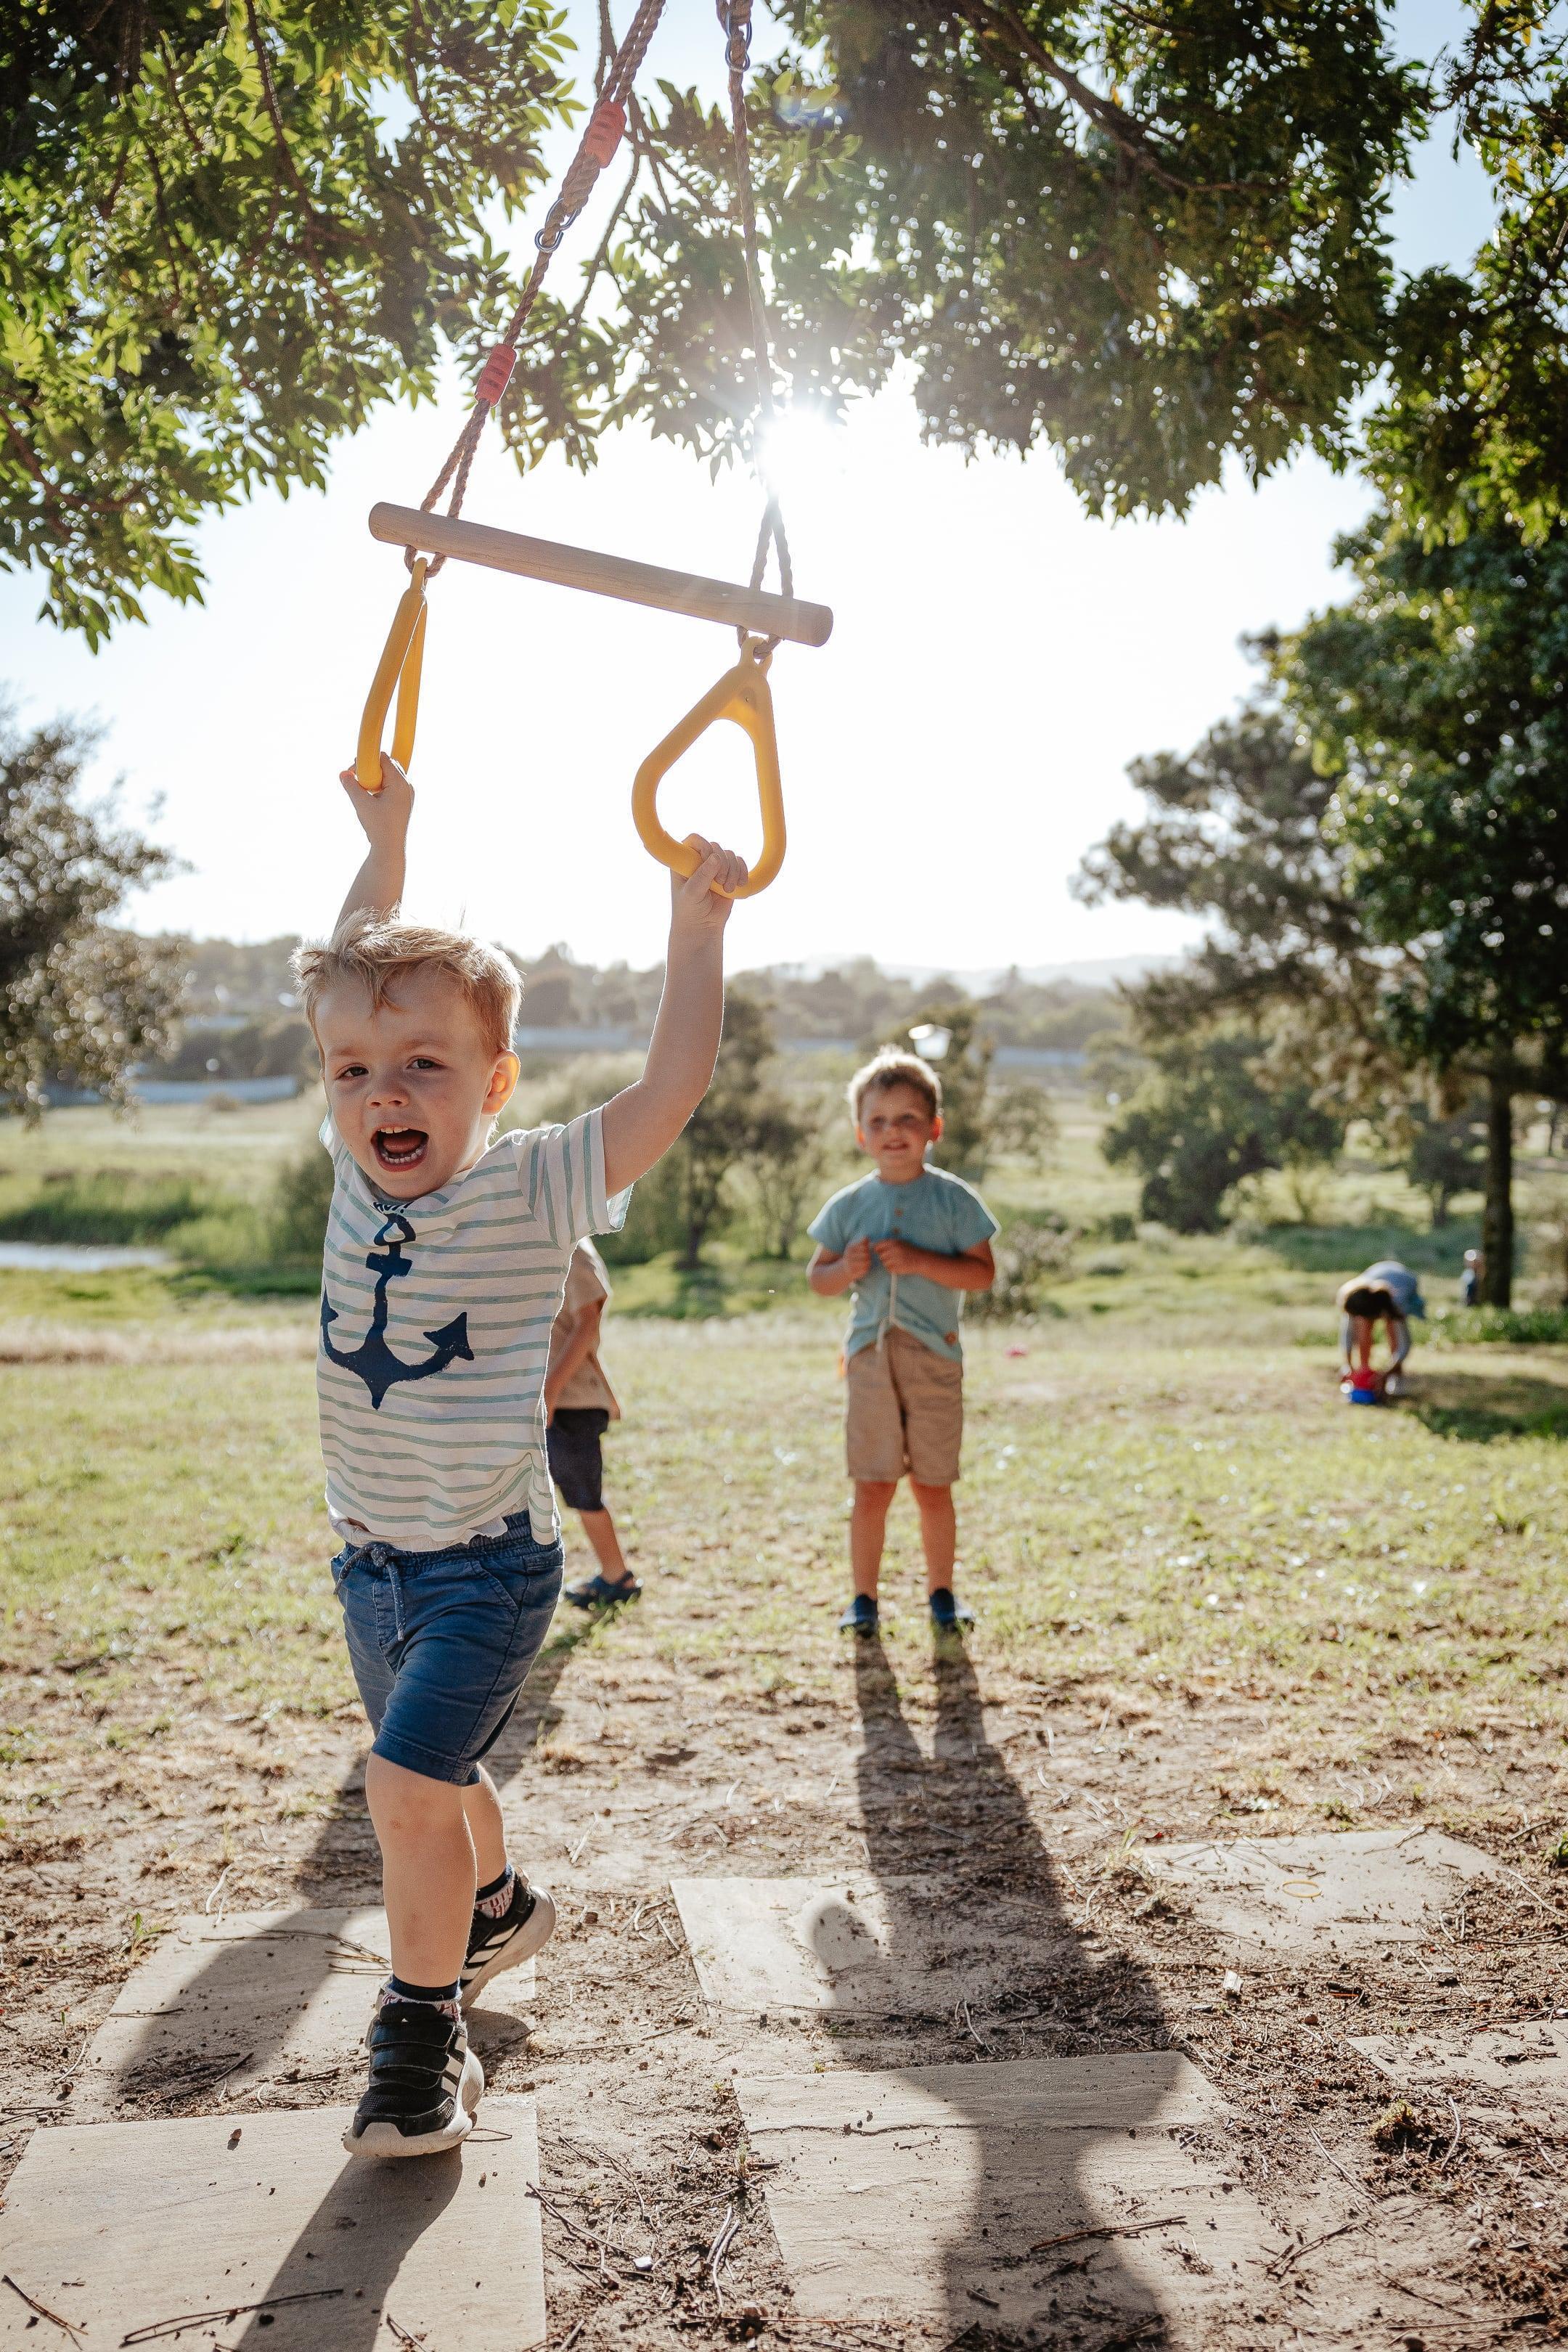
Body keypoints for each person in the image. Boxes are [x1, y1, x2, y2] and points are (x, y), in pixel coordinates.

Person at [293, 753, 746, 2158]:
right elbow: (344, 977)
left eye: (426, 1065)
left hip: (489, 1568)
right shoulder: (352, 1175)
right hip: (370, 1565)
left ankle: (417, 2041)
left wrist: (697, 928)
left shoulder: (538, 1178)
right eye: (358, 1071)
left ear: (494, 1080)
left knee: (404, 1791)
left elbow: (672, 1084)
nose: (386, 1093)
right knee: (443, 1785)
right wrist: (388, 843)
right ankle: (500, 1913)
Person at [807, 1048, 997, 1638]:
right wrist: (847, 1270)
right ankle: (863, 1600)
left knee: (934, 1484)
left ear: (934, 1128)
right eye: (880, 1121)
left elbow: (983, 1274)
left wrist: (920, 1261)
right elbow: (818, 1279)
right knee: (872, 1483)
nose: (894, 1132)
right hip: (868, 1360)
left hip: (935, 1358)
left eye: (909, 1119)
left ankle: (942, 1593)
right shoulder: (849, 1205)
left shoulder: (954, 1200)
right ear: (861, 1133)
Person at [547, 1238, 639, 1607]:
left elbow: (587, 1327)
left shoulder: (574, 1249)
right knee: (571, 1493)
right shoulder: (544, 1241)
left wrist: (547, 1397)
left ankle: (618, 1577)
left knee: (584, 1494)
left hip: (570, 1403)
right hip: (558, 1400)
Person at [1337, 1257, 1426, 1399]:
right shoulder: (1356, 1296)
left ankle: (1396, 1378)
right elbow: (1347, 1333)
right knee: (1363, 1327)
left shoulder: (1396, 1303)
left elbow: (1404, 1346)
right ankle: (1363, 1371)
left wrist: (1387, 1373)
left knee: (1393, 1329)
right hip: (1377, 1274)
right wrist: (1348, 1366)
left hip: (1404, 1281)